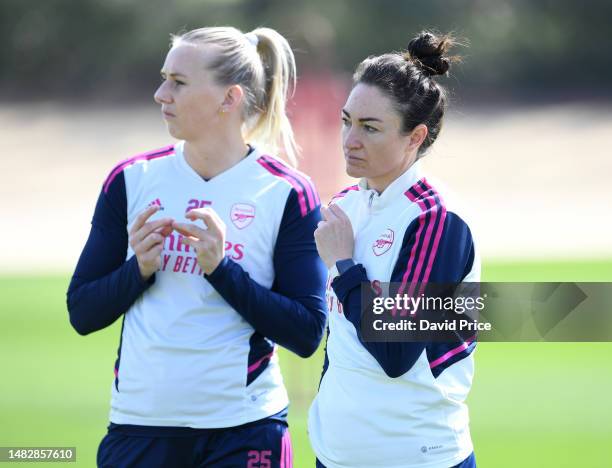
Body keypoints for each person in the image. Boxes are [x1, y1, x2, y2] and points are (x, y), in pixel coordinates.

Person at [67, 26, 327, 468]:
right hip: (140, 426)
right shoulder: (131, 180)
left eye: (179, 82)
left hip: (245, 429)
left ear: (229, 98)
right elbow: (83, 312)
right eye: (164, 77)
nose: (160, 93)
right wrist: (138, 271)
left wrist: (222, 270)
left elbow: (305, 333)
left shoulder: (287, 192)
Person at [308, 32, 479, 468]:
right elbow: (341, 342)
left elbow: (397, 352)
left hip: (417, 456)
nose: (349, 139)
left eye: (370, 127)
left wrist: (345, 265)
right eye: (346, 121)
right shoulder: (345, 208)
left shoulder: (435, 218)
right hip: (335, 457)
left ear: (414, 136)